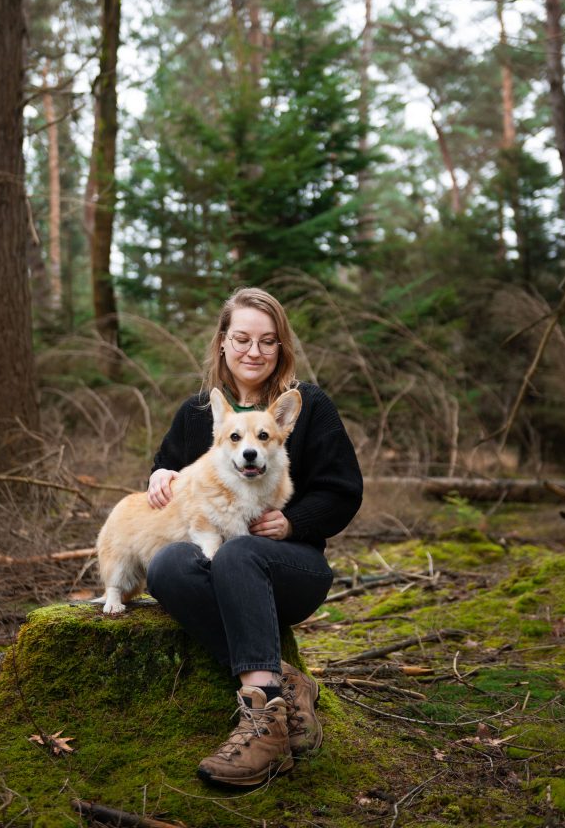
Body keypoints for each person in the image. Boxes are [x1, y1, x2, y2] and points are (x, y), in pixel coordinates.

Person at [145, 287, 363, 786]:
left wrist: (294, 522)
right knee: (167, 565)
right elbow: (169, 472)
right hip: (215, 573)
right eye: (241, 338)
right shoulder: (198, 412)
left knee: (240, 551)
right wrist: (158, 475)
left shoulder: (307, 406)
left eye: (267, 341)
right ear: (223, 342)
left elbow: (344, 490)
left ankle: (263, 723)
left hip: (290, 567)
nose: (253, 350)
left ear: (280, 347)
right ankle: (285, 679)